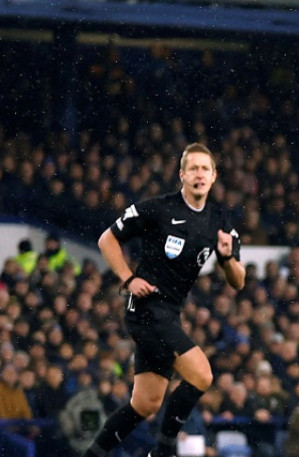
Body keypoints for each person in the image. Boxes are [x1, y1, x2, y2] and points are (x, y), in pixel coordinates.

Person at [84, 143, 246, 457]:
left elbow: (238, 281)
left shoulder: (219, 220)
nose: (199, 174)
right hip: (145, 309)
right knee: (202, 375)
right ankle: (163, 451)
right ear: (182, 175)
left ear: (214, 177)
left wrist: (227, 258)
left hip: (169, 314)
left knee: (145, 404)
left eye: (205, 169)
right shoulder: (158, 208)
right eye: (194, 168)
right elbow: (108, 239)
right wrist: (128, 278)